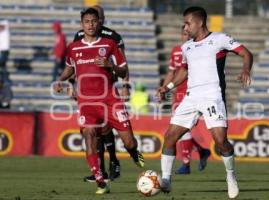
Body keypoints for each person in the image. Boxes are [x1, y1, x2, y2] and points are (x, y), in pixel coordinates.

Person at [157, 6, 253, 199]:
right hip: (191, 97)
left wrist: (245, 70)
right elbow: (183, 71)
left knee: (220, 142)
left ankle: (230, 175)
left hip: (213, 96)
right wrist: (166, 87)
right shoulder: (187, 47)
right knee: (169, 137)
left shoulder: (219, 39)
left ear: (199, 22)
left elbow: (246, 53)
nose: (185, 27)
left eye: (187, 23)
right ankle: (166, 180)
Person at [54, 8, 144, 195]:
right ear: (82, 24)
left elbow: (123, 70)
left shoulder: (110, 44)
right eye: (87, 22)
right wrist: (60, 80)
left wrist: (111, 66)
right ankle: (100, 181)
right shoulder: (74, 47)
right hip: (87, 103)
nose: (90, 25)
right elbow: (70, 68)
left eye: (94, 21)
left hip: (110, 100)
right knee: (89, 135)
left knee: (129, 142)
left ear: (99, 22)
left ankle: (134, 153)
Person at [72, 5, 131, 182]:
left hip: (108, 86)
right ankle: (100, 170)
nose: (95, 22)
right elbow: (75, 62)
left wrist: (125, 84)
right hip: (88, 90)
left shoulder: (113, 37)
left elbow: (123, 63)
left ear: (102, 18)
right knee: (95, 130)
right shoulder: (80, 36)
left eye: (98, 17)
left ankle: (113, 160)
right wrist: (71, 84)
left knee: (105, 128)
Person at [162, 27, 210, 175]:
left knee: (183, 129)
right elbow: (172, 72)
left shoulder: (200, 50)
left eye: (188, 34)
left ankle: (186, 164)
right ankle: (201, 152)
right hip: (178, 93)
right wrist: (164, 88)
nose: (186, 37)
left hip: (193, 93)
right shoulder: (176, 51)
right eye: (184, 34)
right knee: (181, 129)